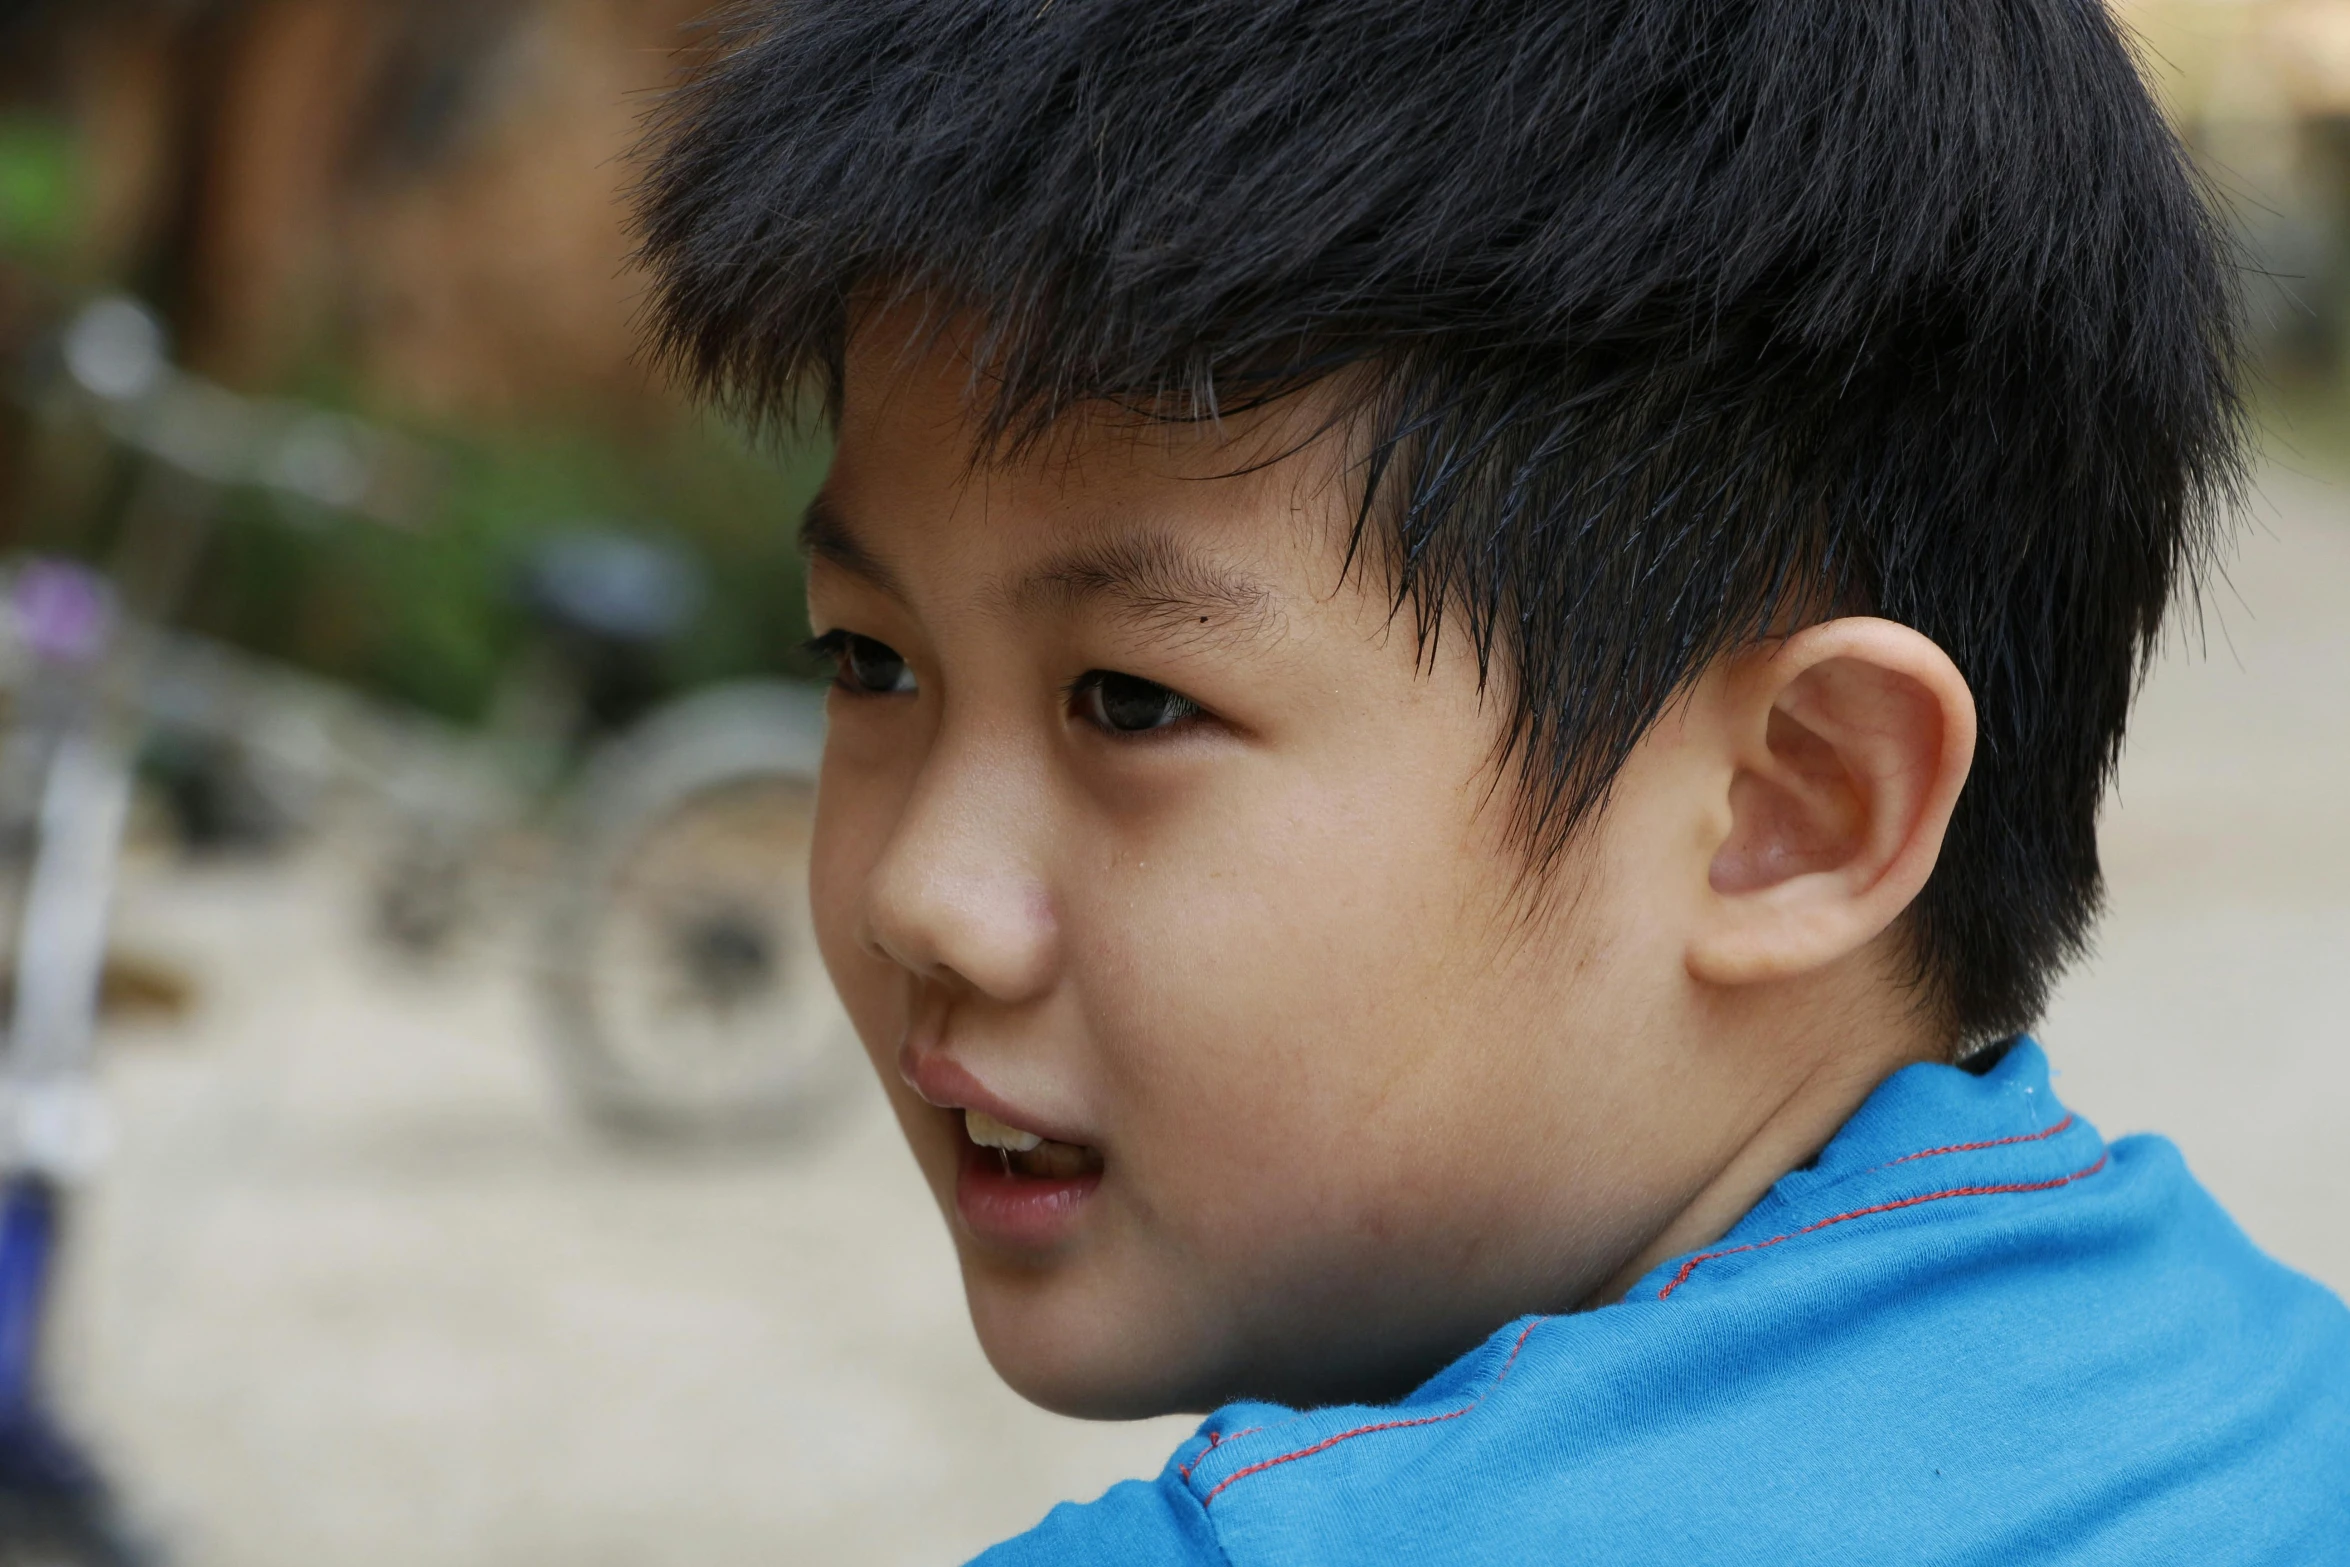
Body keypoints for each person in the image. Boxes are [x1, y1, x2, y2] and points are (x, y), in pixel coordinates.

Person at [635, 1, 2350, 1559]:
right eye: (866, 661)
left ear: (1792, 808)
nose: (915, 892)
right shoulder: (2293, 1414)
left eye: (1129, 702)